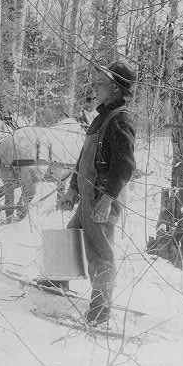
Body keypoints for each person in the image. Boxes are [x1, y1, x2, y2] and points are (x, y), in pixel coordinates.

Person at [55, 58, 137, 326]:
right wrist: (72, 190)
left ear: (115, 89)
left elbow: (125, 166)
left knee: (100, 254)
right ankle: (55, 282)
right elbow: (85, 159)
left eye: (101, 83)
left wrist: (107, 200)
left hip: (103, 199)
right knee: (71, 237)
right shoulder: (101, 118)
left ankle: (100, 311)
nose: (95, 86)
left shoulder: (120, 121)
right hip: (89, 197)